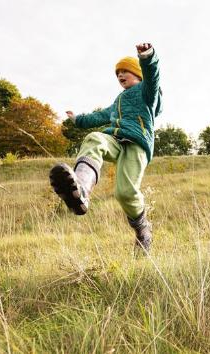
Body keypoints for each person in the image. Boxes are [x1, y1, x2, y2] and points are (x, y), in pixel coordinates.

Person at [49, 42, 162, 253]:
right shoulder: (117, 101)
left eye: (125, 71)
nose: (120, 75)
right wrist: (77, 120)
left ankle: (142, 228)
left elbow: (153, 76)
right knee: (95, 138)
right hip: (116, 140)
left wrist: (147, 57)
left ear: (137, 73)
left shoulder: (146, 92)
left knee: (125, 193)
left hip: (137, 143)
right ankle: (81, 187)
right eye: (117, 73)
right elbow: (98, 116)